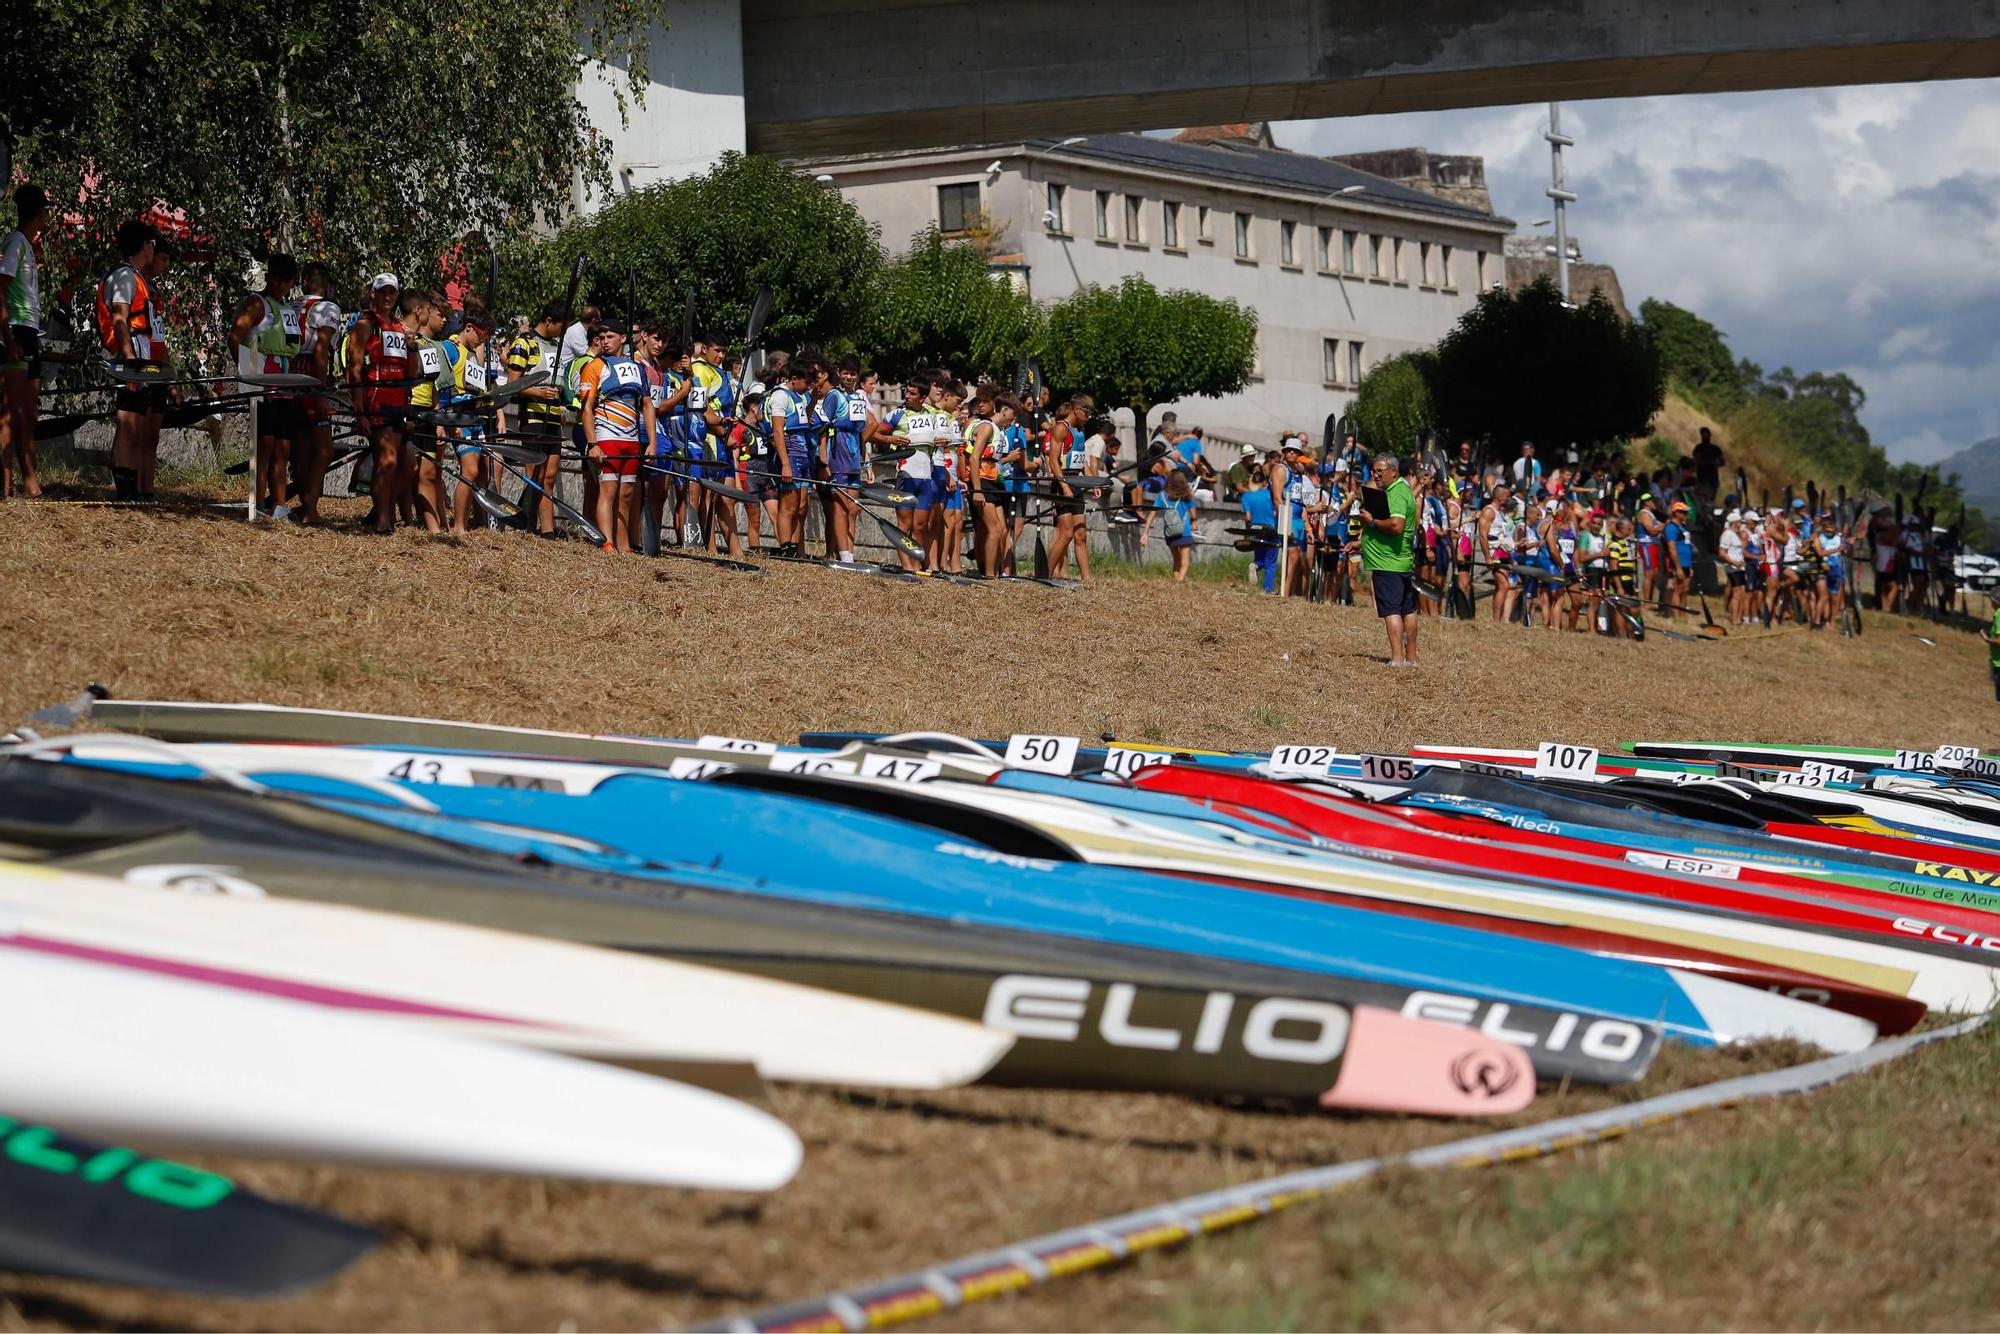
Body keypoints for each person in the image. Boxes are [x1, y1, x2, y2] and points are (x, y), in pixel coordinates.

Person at [227, 253, 304, 520]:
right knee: (264, 446)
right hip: (263, 382)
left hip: (285, 383)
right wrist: (248, 374)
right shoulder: (256, 303)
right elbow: (235, 337)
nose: (281, 286)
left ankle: (279, 506)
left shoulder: (287, 309)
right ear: (269, 277)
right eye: (277, 280)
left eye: (287, 282)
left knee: (283, 447)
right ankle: (257, 504)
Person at [576, 319, 654, 554]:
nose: (604, 342)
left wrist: (652, 442)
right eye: (601, 338)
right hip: (607, 434)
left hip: (631, 439)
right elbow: (586, 408)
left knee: (627, 493)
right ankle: (606, 542)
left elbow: (648, 406)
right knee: (608, 490)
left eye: (610, 337)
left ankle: (624, 544)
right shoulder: (594, 366)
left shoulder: (639, 368)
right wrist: (593, 443)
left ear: (623, 338)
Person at [344, 273, 412, 533]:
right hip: (376, 402)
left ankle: (380, 511)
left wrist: (412, 345)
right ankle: (384, 519)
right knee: (388, 461)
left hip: (399, 404)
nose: (387, 296)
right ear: (374, 293)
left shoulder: (399, 327)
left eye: (391, 292)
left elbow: (411, 371)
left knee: (406, 464)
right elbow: (355, 368)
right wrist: (359, 411)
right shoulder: (365, 324)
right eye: (382, 291)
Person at [98, 220, 160, 500]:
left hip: (140, 352)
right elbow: (120, 321)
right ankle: (124, 491)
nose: (153, 250)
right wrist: (130, 362)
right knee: (128, 423)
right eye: (152, 244)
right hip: (130, 354)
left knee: (138, 423)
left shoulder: (136, 277)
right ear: (143, 246)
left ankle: (133, 489)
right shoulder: (124, 276)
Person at [0, 184, 51, 499]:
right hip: (16, 330)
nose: (48, 216)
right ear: (38, 212)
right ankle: (7, 484)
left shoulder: (28, 246)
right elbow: (0, 291)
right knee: (11, 412)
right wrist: (7, 339)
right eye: (46, 210)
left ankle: (29, 482)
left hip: (31, 331)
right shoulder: (15, 243)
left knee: (29, 414)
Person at [505, 302, 567, 537]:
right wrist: (537, 392)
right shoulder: (525, 343)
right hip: (532, 416)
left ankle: (547, 529)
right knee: (534, 475)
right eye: (560, 325)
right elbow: (513, 384)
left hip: (552, 418)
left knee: (549, 476)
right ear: (548, 321)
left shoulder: (556, 346)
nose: (562, 331)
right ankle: (526, 525)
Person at [1359, 453, 1418, 665]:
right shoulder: (1401, 490)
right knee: (1407, 610)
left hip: (1388, 563)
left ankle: (1397, 658)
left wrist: (1371, 521)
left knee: (1392, 611)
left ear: (1394, 472)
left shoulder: (1396, 494)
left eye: (1379, 471)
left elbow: (1396, 526)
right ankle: (1410, 658)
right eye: (1374, 470)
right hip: (1399, 561)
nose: (1375, 475)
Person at [1046, 396, 1095, 583]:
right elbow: (1053, 460)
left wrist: (1092, 482)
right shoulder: (1061, 428)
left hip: (1077, 482)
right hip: (1062, 483)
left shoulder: (1080, 430)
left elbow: (1082, 460)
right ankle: (1045, 574)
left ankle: (1087, 579)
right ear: (1076, 409)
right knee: (1066, 533)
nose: (1089, 416)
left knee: (1081, 534)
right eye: (1086, 412)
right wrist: (1064, 486)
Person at [1239, 451, 1278, 594]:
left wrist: (1247, 533)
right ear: (1264, 483)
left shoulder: (1246, 496)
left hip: (1255, 529)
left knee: (1260, 557)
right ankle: (1267, 590)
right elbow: (1276, 510)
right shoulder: (1269, 494)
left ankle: (1254, 565)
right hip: (1270, 529)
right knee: (1271, 562)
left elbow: (1248, 517)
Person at [1161, 471, 1197, 581]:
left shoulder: (1164, 496)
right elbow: (1193, 515)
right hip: (1184, 532)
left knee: (1176, 559)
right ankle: (1180, 581)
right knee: (1185, 561)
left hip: (1170, 532)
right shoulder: (1188, 498)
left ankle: (1176, 579)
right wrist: (1195, 525)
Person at [1692, 427, 1725, 499]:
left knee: (1710, 499)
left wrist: (1717, 464)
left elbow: (1723, 461)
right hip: (1702, 478)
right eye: (1704, 434)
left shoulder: (1715, 448)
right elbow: (1696, 461)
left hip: (1713, 478)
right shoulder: (1699, 448)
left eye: (1707, 434)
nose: (1705, 436)